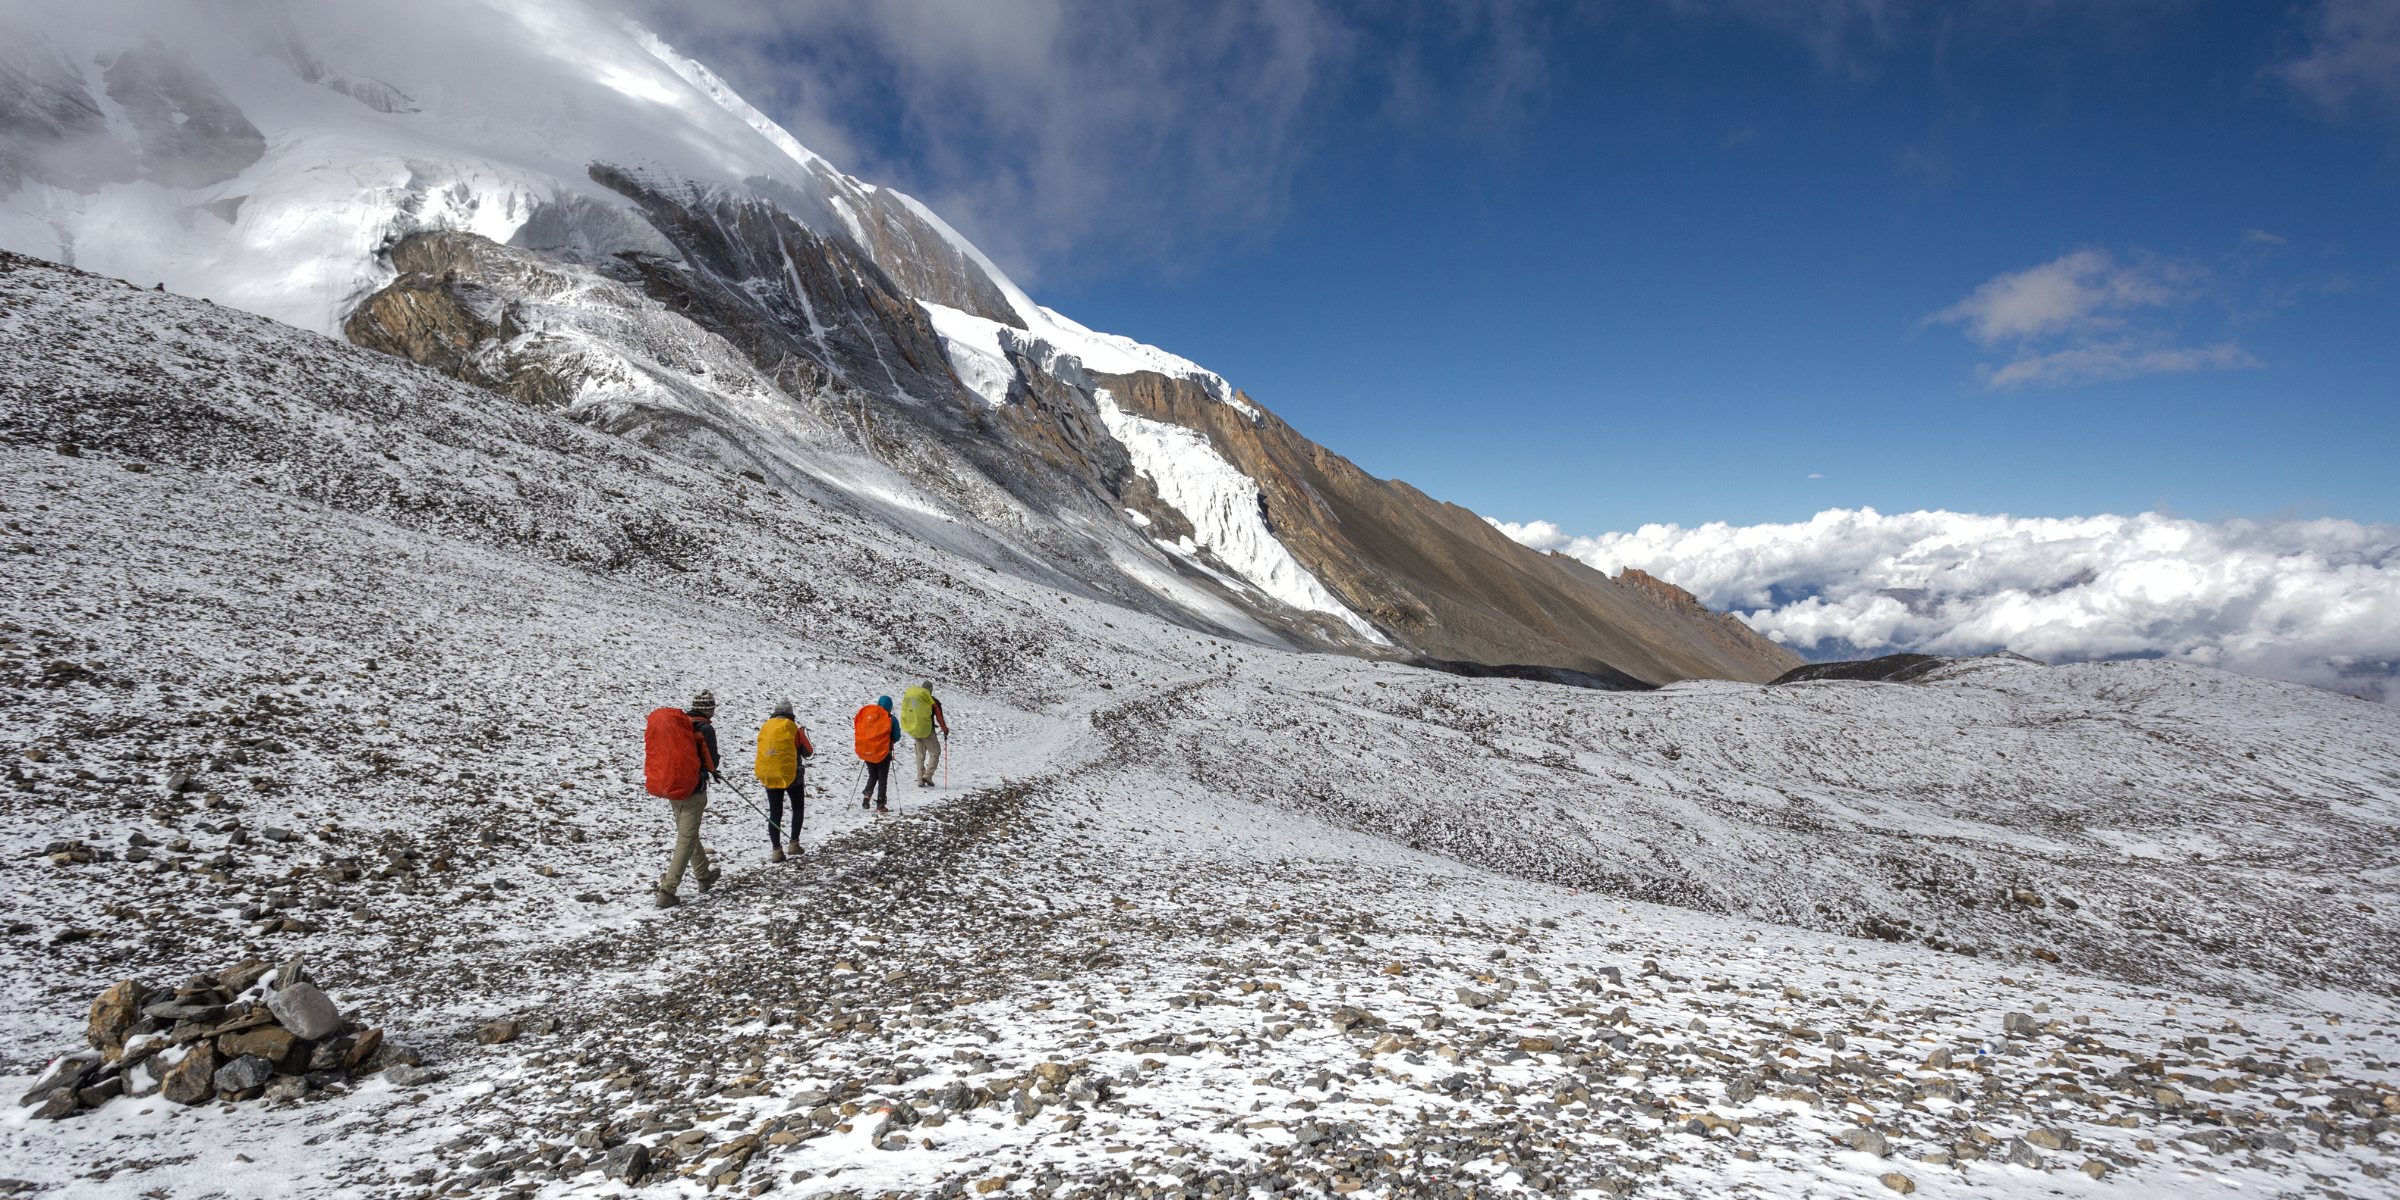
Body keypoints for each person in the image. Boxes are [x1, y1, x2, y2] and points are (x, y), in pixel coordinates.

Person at [656, 690, 724, 907]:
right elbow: (712, 761)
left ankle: (704, 877)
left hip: (673, 789)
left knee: (688, 834)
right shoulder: (705, 728)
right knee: (685, 840)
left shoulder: (680, 725)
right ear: (709, 710)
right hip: (694, 791)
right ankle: (667, 891)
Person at [755, 700, 814, 862]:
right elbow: (808, 752)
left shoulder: (766, 727)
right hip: (791, 775)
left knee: (775, 812)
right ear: (791, 714)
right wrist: (802, 734)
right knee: (797, 808)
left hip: (769, 773)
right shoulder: (793, 728)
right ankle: (794, 844)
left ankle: (776, 851)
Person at [899, 682, 950, 788]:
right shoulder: (933, 701)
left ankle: (920, 779)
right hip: (928, 731)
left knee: (920, 754)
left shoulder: (916, 699)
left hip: (915, 730)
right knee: (935, 752)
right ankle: (928, 775)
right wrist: (945, 730)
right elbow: (939, 718)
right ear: (931, 690)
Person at [854, 695, 897, 813]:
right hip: (883, 752)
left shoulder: (870, 717)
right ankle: (880, 805)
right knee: (882, 778)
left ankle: (867, 796)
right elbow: (897, 736)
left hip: (868, 751)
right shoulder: (891, 719)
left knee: (872, 775)